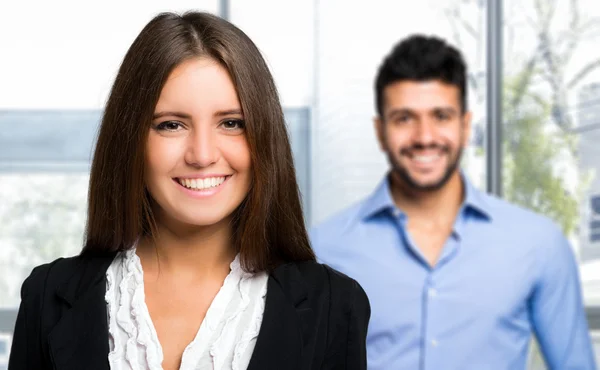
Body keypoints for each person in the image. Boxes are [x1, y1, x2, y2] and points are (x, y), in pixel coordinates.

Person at [8, 11, 369, 370]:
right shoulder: (48, 297)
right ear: (130, 140)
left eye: (231, 123)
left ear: (265, 136)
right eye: (171, 125)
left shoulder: (335, 306)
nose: (202, 155)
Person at [310, 34, 596, 369]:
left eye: (441, 116)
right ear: (380, 130)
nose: (425, 137)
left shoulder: (539, 245)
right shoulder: (322, 251)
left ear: (464, 125)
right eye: (404, 118)